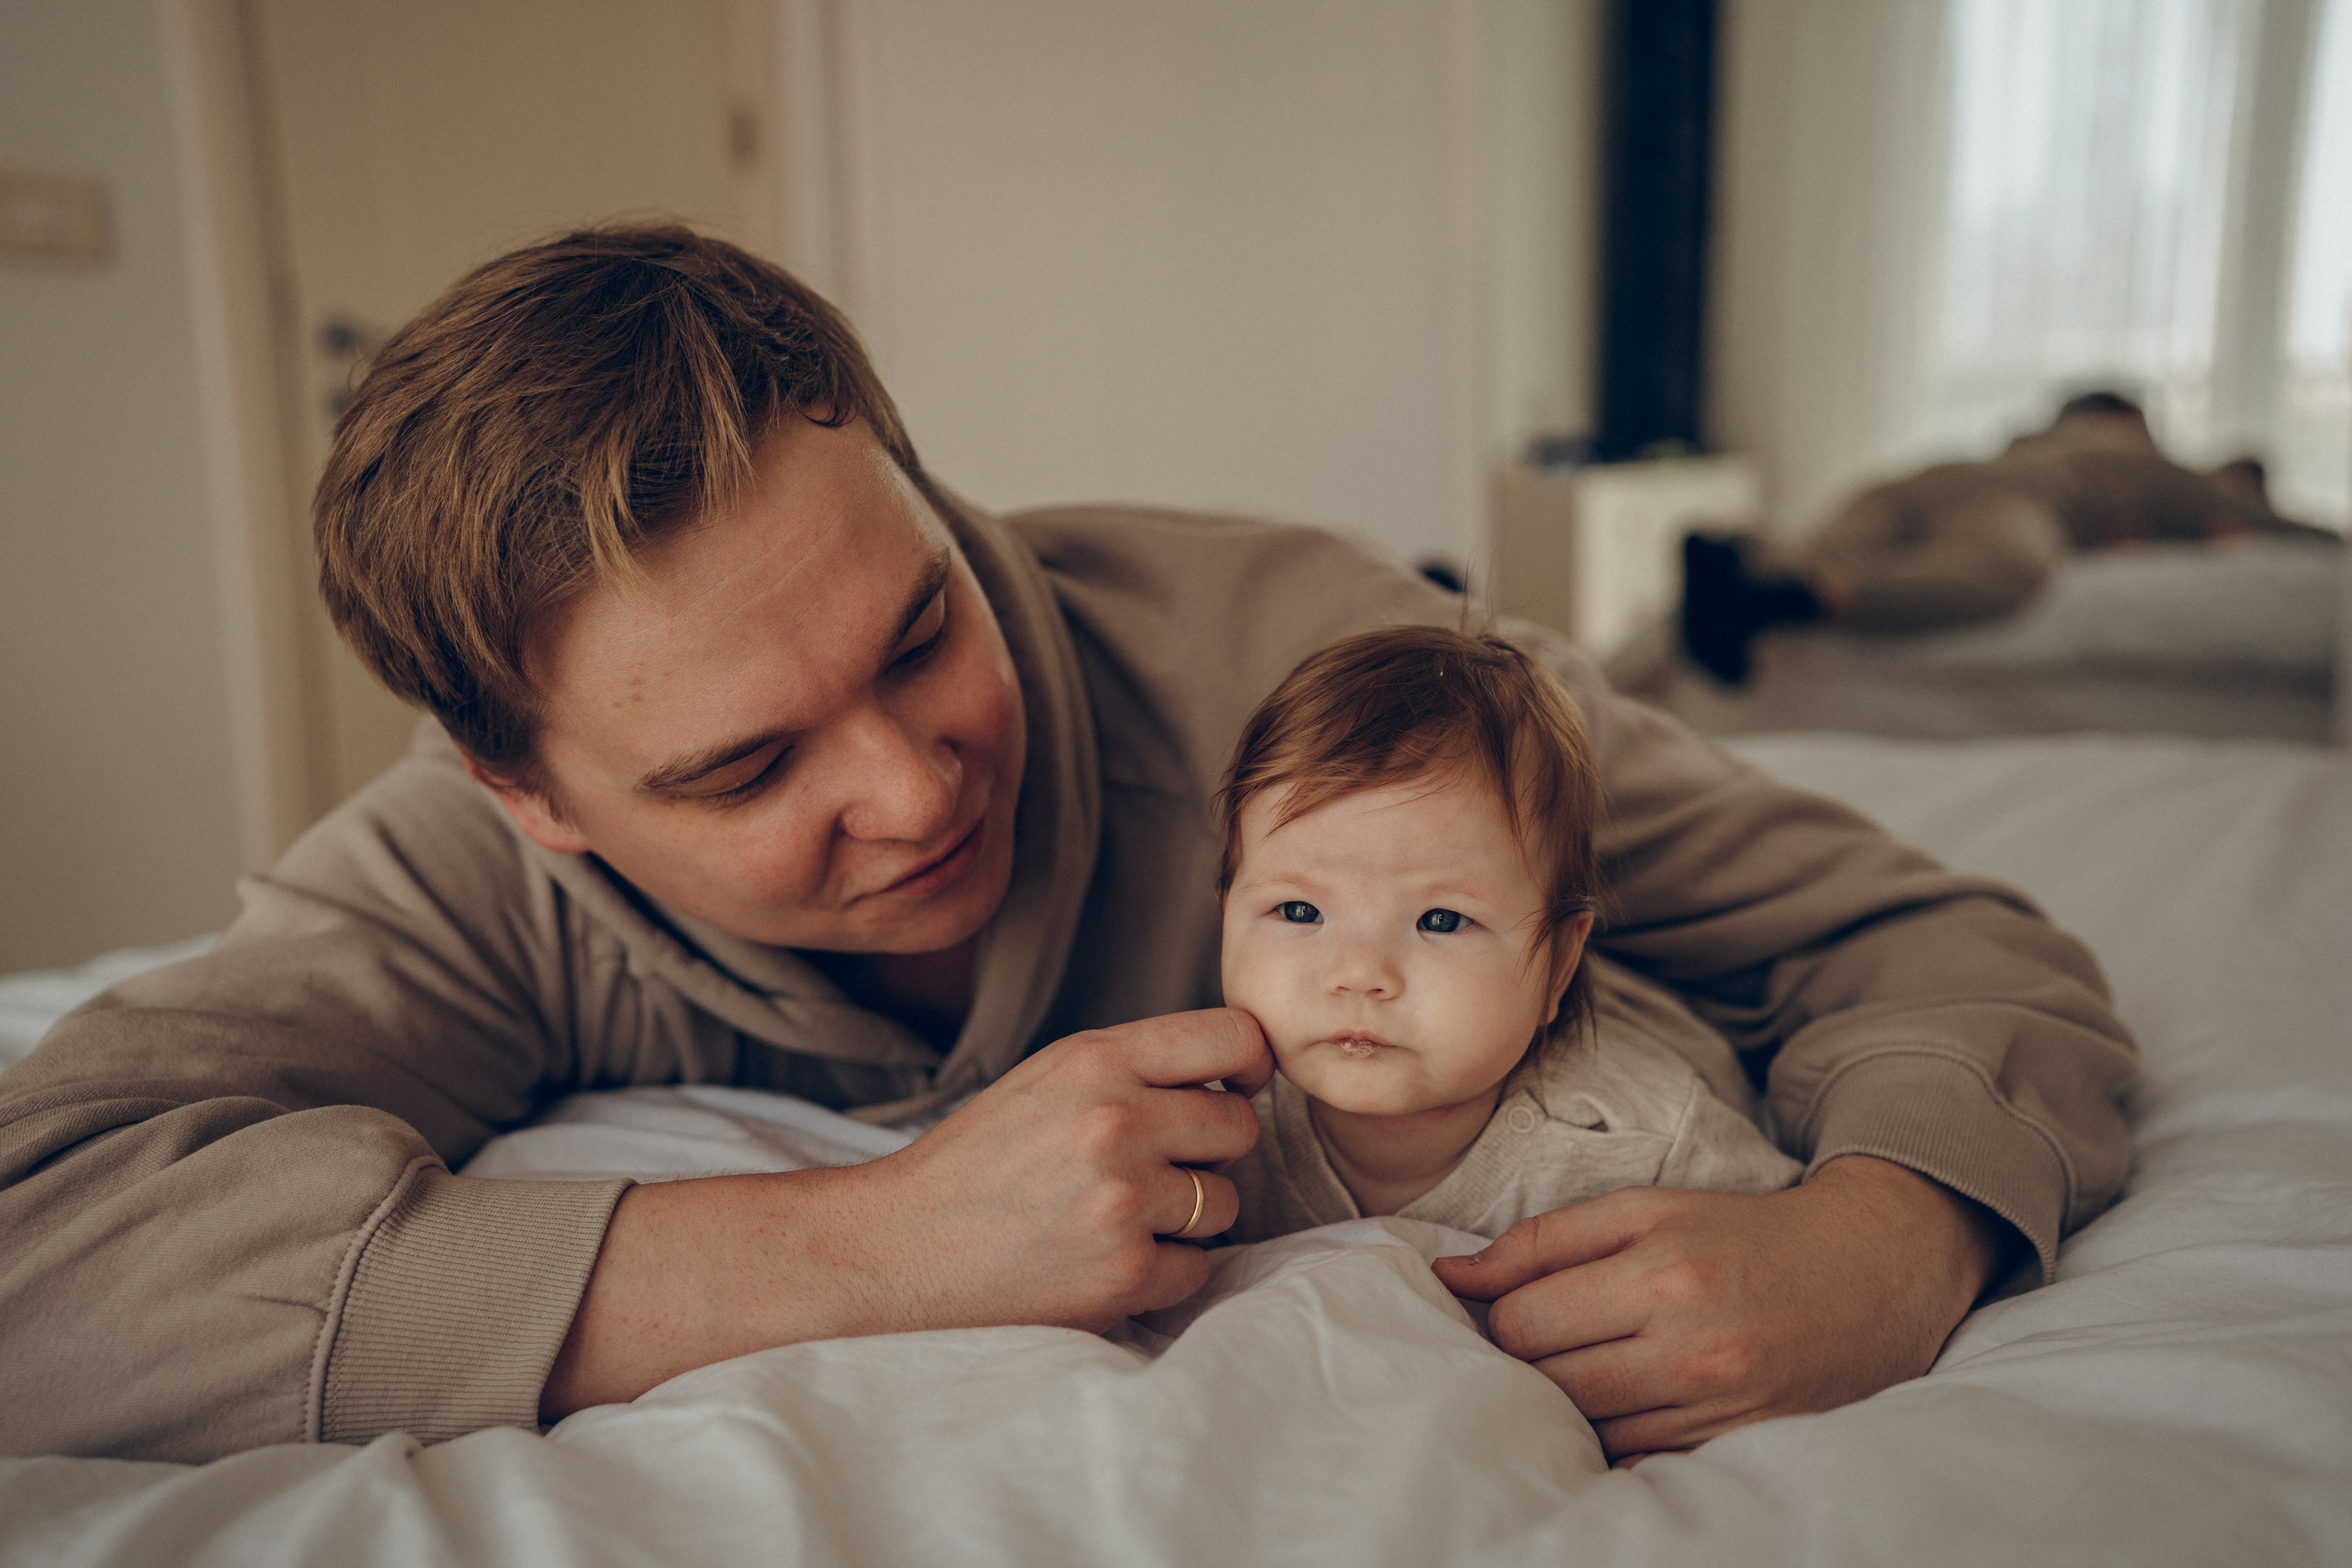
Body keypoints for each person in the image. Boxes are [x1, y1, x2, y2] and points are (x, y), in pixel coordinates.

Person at [0, 225, 2138, 1468]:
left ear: (927, 487)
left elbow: (1921, 939)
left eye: (919, 627)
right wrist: (863, 1243)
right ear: (536, 797)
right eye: (751, 769)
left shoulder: (1305, 676)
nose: (920, 790)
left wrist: (1890, 1233)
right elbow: (41, 1242)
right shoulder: (477, 882)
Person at [1215, 626, 1796, 1244]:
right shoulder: (1208, 1131)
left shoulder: (1647, 1146)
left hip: (1660, 1018)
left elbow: (1785, 1266)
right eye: (1299, 911)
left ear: (1561, 962)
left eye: (1440, 919)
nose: (1358, 973)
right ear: (1225, 917)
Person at [1679, 390, 2339, 684]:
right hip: (2013, 503)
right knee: (2006, 570)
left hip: (1935, 473)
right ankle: (1803, 599)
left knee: (1844, 534)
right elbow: (2274, 521)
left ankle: (1742, 562)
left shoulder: (2028, 439)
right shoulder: (2156, 466)